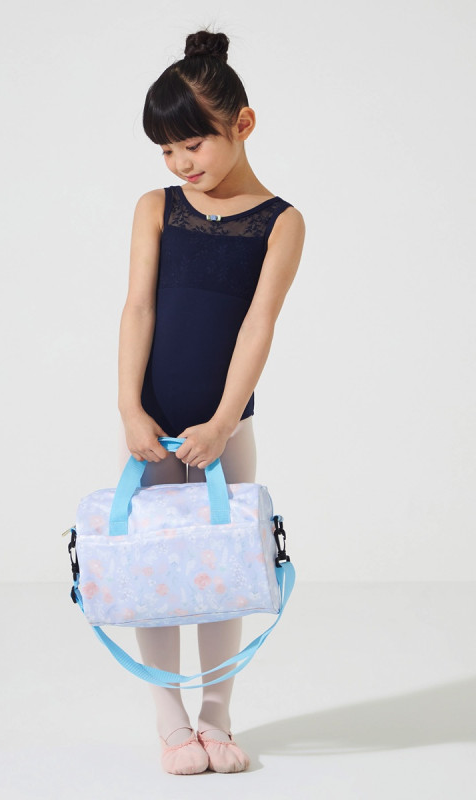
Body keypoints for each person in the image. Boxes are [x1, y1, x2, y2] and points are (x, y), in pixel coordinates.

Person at [117, 29, 305, 775]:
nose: (180, 162)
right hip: (152, 426)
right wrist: (130, 409)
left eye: (192, 144)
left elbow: (259, 325)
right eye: (167, 150)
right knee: (155, 567)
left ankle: (217, 714)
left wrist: (225, 422)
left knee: (222, 569)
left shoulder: (281, 222)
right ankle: (170, 720)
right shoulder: (157, 207)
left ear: (243, 124)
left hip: (225, 427)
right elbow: (138, 308)